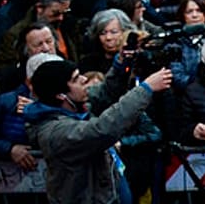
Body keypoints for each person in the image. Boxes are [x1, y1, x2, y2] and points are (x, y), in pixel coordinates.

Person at [24, 58, 174, 204]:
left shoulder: (76, 111)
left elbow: (105, 92)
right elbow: (103, 129)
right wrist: (145, 89)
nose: (84, 79)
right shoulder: (56, 132)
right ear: (60, 95)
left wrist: (121, 64)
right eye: (75, 79)